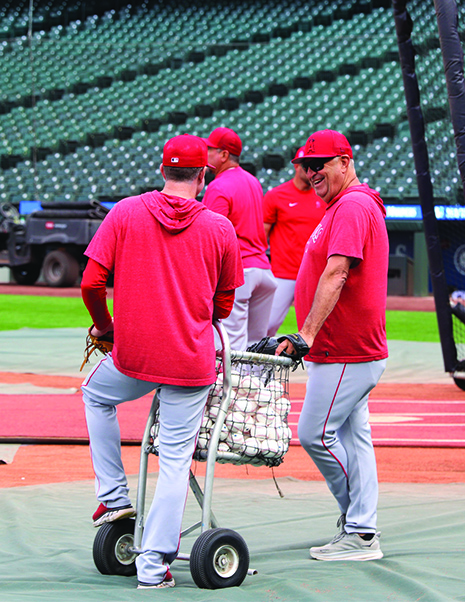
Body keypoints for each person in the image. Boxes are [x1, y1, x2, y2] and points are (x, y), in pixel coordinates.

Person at [80, 134, 244, 589]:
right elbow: (224, 307)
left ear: (161, 170)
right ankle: (152, 570)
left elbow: (91, 283)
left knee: (95, 394)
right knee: (173, 462)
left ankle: (113, 496)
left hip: (132, 355)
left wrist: (106, 329)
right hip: (190, 361)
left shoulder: (126, 211)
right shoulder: (219, 228)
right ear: (203, 174)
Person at [276, 129, 389, 561]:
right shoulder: (346, 204)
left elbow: (337, 272)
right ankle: (361, 529)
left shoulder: (353, 206)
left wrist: (305, 334)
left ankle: (359, 529)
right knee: (354, 438)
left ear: (345, 161)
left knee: (314, 433)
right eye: (307, 165)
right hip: (344, 348)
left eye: (320, 163)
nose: (311, 171)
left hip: (345, 348)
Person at [202, 126, 276, 351]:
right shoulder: (252, 180)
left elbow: (211, 236)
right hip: (263, 272)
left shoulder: (218, 186)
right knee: (256, 350)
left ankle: (232, 388)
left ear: (223, 155)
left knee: (230, 349)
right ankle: (255, 388)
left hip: (239, 273)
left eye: (210, 149)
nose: (206, 154)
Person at [263, 146, 325, 336]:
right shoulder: (276, 195)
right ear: (296, 167)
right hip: (283, 273)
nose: (309, 171)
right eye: (304, 166)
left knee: (316, 328)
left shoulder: (324, 196)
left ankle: (316, 365)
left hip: (315, 274)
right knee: (267, 324)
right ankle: (254, 365)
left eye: (312, 166)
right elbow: (260, 236)